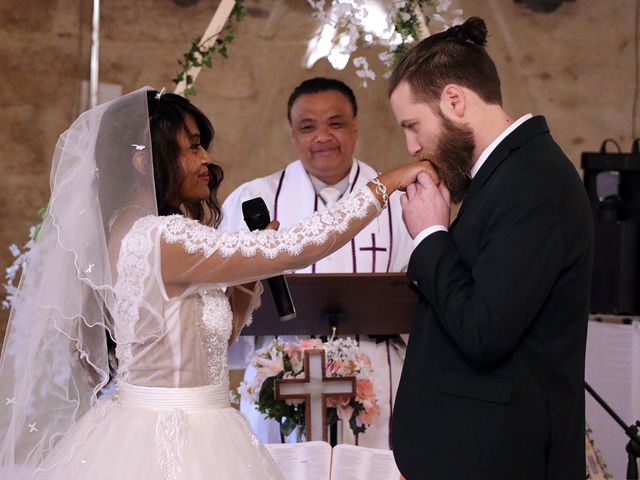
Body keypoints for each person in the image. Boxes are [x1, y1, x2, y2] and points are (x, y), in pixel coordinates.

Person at [0, 88, 431, 479]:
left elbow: (207, 343)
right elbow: (300, 246)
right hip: (169, 434)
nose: (207, 158)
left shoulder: (147, 232)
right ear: (144, 160)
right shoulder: (159, 237)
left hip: (203, 418)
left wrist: (248, 277)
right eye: (192, 146)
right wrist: (386, 184)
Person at [388, 17, 593, 480]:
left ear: (455, 100)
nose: (413, 145)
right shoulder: (502, 176)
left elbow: (484, 330)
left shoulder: (532, 181)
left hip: (502, 460)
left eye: (413, 125)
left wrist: (430, 236)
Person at [221, 77, 414, 449]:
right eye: (308, 127)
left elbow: (418, 300)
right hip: (279, 376)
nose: (322, 136)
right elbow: (226, 300)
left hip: (376, 378)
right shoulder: (254, 200)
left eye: (335, 123)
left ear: (356, 126)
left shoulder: (398, 200)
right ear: (293, 135)